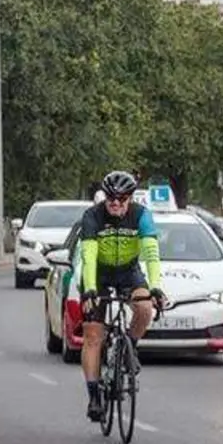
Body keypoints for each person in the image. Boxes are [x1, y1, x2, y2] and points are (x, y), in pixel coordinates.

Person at [76, 170, 164, 422]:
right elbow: (89, 256)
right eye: (110, 198)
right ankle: (94, 396)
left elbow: (151, 253)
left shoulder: (140, 216)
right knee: (93, 336)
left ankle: (129, 348)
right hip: (99, 274)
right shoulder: (92, 216)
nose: (115, 203)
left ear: (130, 198)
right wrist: (90, 290)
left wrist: (155, 287)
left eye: (121, 199)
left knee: (145, 308)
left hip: (128, 271)